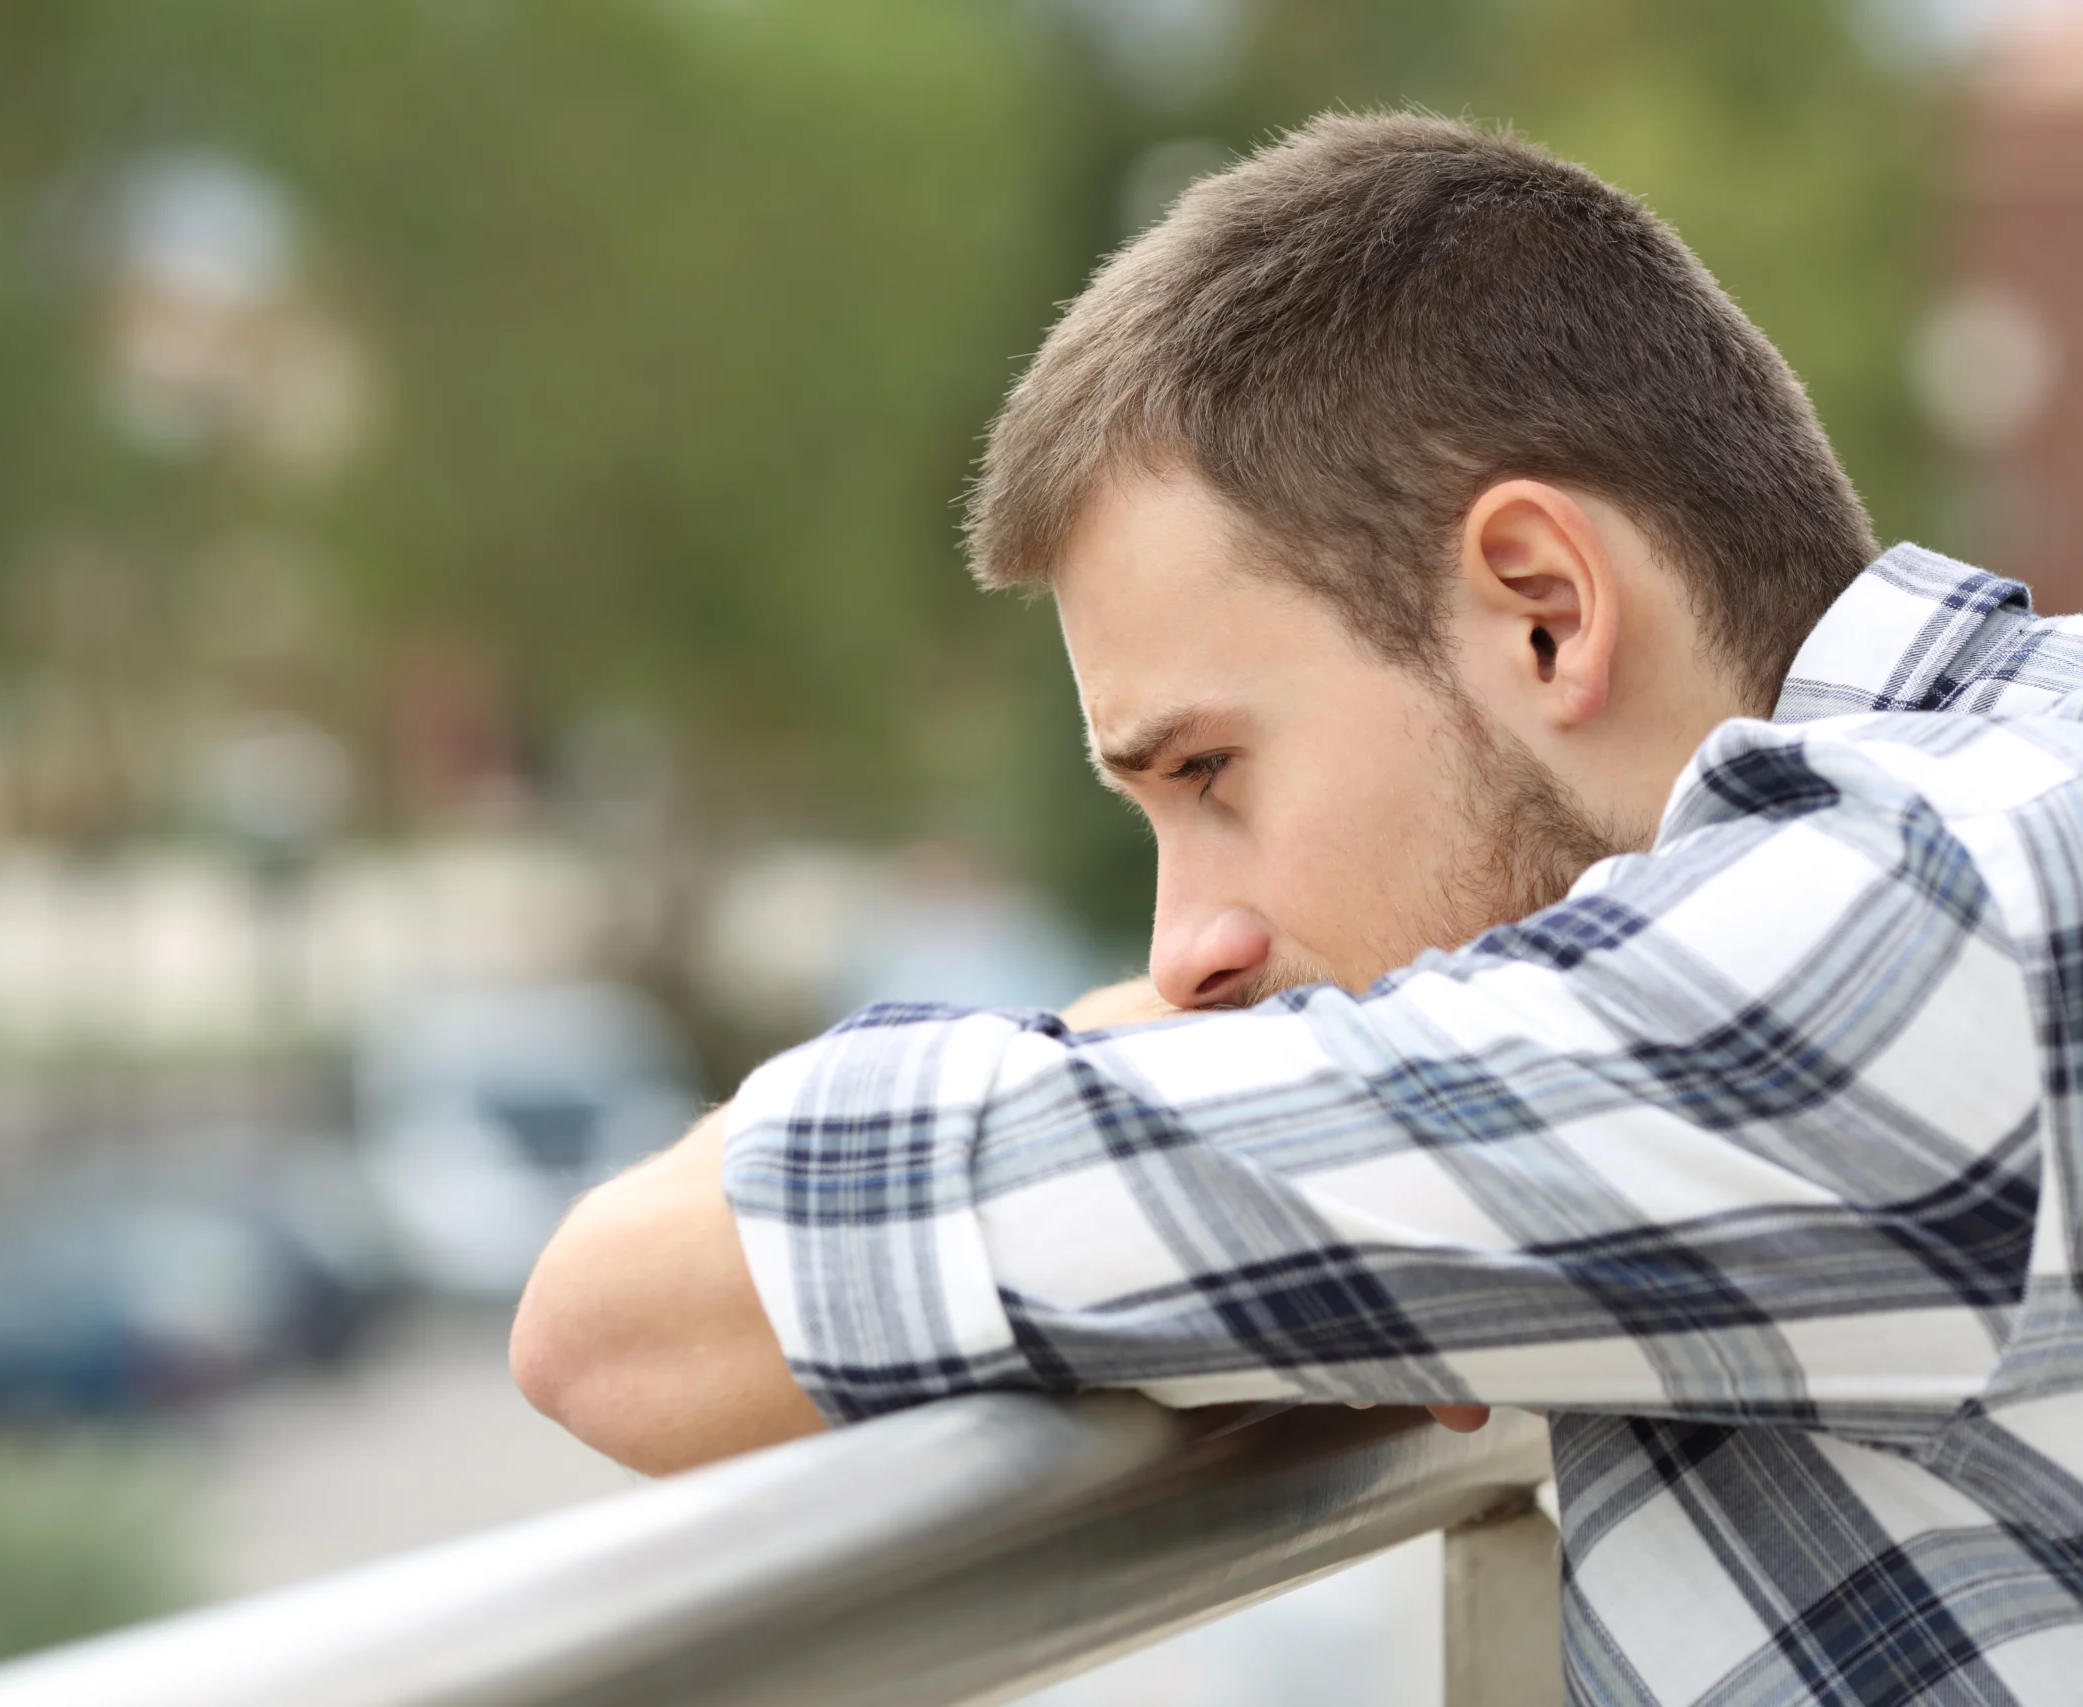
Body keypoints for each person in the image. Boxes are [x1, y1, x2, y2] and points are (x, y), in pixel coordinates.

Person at [511, 111, 2083, 1704]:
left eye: (1211, 774)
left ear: (1543, 613)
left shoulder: (1905, 947)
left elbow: (628, 1316)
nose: (1184, 946)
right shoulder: (2001, 818)